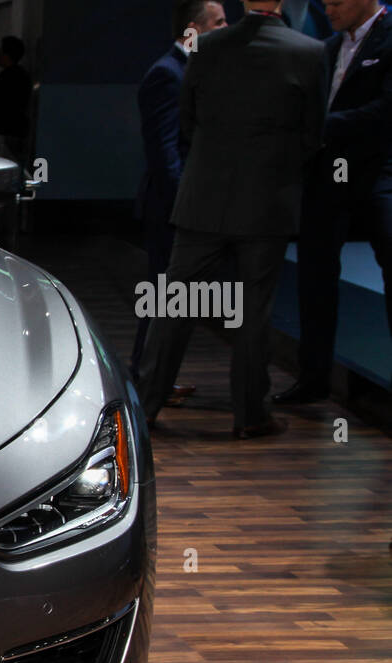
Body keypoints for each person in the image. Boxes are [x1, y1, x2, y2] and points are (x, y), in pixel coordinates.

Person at [137, 0, 328, 439]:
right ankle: (250, 416)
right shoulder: (310, 52)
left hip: (203, 198)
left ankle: (145, 408)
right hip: (267, 202)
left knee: (175, 306)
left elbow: (188, 122)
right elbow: (313, 136)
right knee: (252, 313)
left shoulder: (205, 47)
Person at [275, 0, 392, 404]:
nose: (327, 5)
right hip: (328, 179)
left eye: (336, 0)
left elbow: (387, 111)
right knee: (314, 280)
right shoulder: (326, 49)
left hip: (380, 176)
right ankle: (313, 379)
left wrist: (322, 127)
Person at [132, 1, 228, 392]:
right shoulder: (168, 74)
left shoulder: (188, 70)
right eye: (219, 22)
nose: (226, 28)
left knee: (169, 297)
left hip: (181, 204)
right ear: (194, 29)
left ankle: (152, 379)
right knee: (161, 296)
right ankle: (146, 380)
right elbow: (165, 154)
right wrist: (183, 208)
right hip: (171, 207)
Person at [0, 35, 33, 165]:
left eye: (1, 52)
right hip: (16, 131)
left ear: (6, 55)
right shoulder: (23, 76)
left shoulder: (6, 77)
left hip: (3, 131)